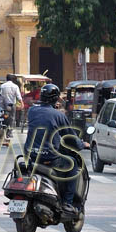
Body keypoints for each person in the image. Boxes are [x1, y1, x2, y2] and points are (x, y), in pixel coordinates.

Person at [23, 83, 80, 217]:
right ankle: (67, 203)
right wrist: (81, 145)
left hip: (31, 156)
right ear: (56, 99)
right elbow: (70, 136)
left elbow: (43, 119)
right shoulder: (58, 115)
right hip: (49, 158)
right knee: (72, 164)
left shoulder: (32, 111)